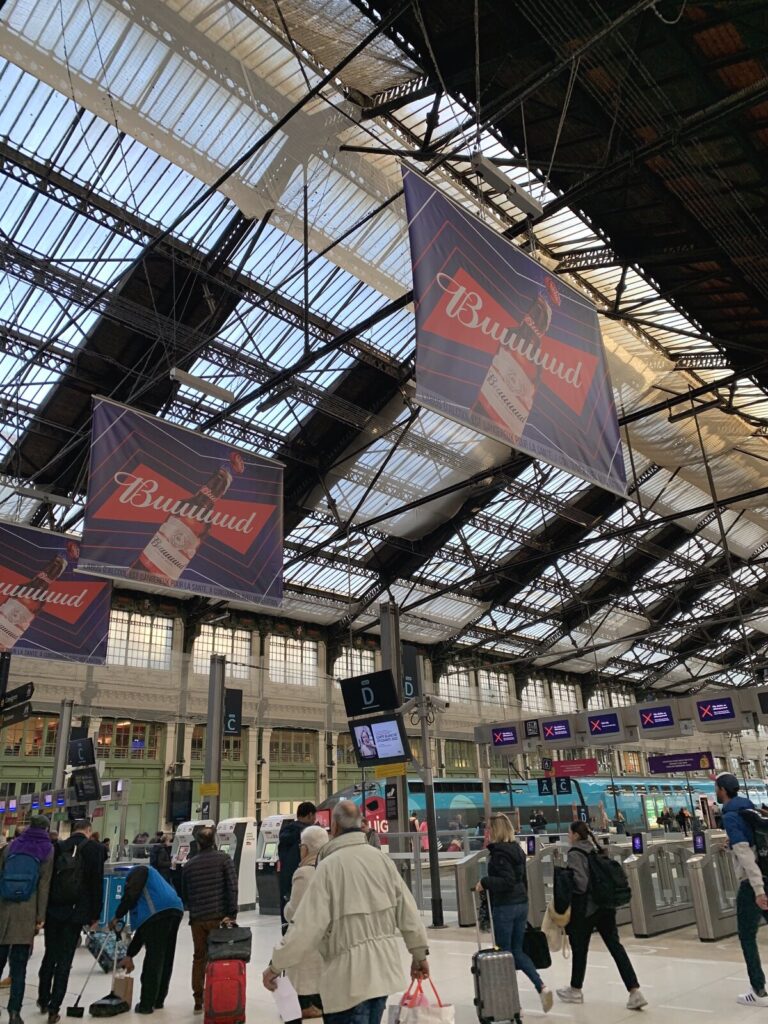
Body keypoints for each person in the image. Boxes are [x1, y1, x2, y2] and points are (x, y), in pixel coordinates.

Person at [263, 800, 429, 1024]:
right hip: (382, 977)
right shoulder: (381, 860)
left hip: (347, 983)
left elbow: (306, 927)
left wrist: (276, 965)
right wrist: (419, 955)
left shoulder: (328, 868)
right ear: (361, 824)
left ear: (335, 827)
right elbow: (408, 913)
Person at [557, 821, 646, 1010]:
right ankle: (634, 991)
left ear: (574, 835)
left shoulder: (575, 853)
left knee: (580, 949)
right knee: (615, 946)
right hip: (606, 906)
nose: (568, 836)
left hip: (587, 909)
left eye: (569, 832)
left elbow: (581, 883)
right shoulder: (596, 849)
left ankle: (575, 990)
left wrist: (566, 883)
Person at [476, 813, 552, 1013]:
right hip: (520, 904)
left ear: (496, 830)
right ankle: (541, 987)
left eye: (489, 829)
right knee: (516, 952)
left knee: (504, 955)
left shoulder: (500, 854)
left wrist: (485, 882)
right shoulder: (517, 850)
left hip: (505, 907)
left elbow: (507, 881)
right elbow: (521, 880)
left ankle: (510, 1002)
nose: (487, 832)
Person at [38, 818, 104, 1024]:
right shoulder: (95, 849)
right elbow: (96, 884)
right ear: (88, 830)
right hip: (76, 912)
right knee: (65, 960)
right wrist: (95, 913)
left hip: (54, 910)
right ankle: (54, 1008)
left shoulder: (58, 846)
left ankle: (42, 997)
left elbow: (47, 879)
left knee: (50, 954)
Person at [715, 771, 768, 1006]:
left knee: (746, 934)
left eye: (717, 789)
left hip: (753, 883)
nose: (716, 793)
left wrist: (758, 890)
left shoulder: (730, 816)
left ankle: (758, 990)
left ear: (723, 791)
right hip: (766, 874)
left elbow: (745, 854)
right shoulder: (750, 809)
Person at [0, 814, 54, 1024]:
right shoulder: (47, 851)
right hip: (27, 912)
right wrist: (40, 917)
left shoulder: (11, 847)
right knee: (19, 968)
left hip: (4, 910)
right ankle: (14, 1013)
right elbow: (44, 886)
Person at [181, 825, 238, 1015]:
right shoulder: (224, 859)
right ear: (215, 841)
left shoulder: (189, 865)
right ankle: (220, 995)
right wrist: (232, 913)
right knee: (220, 957)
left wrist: (194, 908)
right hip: (218, 917)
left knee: (199, 958)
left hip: (197, 919)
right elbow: (232, 887)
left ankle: (198, 1000)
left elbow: (185, 893)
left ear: (197, 843)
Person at [112, 863, 184, 1014]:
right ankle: (158, 1001)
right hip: (175, 909)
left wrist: (117, 915)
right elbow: (143, 931)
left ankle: (146, 1004)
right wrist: (130, 955)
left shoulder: (138, 872)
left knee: (154, 959)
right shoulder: (153, 880)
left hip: (159, 913)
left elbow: (130, 896)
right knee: (166, 957)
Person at [283, 825, 329, 1022]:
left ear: (305, 848)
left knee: (303, 976)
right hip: (326, 935)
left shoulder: (303, 873)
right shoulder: (329, 868)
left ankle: (306, 1006)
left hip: (307, 938)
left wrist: (286, 907)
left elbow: (295, 911)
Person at [277, 802, 316, 924]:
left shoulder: (285, 831)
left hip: (285, 878)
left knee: (288, 908)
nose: (315, 820)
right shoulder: (307, 835)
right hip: (303, 876)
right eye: (314, 816)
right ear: (310, 815)